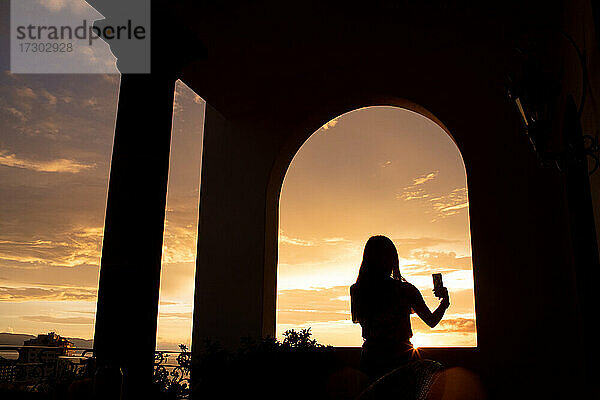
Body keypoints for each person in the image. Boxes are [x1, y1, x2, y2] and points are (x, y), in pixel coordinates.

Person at [350, 235, 450, 379]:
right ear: (392, 259)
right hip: (401, 358)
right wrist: (444, 303)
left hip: (371, 358)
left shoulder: (357, 290)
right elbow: (431, 321)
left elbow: (362, 321)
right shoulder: (405, 290)